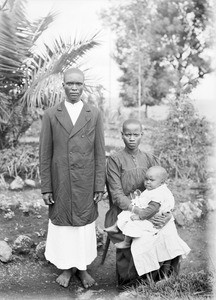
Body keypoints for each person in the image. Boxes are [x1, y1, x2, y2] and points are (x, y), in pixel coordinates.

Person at [39, 67, 106, 289]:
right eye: (70, 84)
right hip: (61, 180)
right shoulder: (51, 114)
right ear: (63, 86)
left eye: (79, 84)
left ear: (83, 85)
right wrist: (46, 186)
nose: (74, 88)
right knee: (63, 224)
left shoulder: (93, 113)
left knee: (84, 225)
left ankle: (83, 268)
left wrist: (98, 184)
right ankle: (66, 268)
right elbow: (44, 153)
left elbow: (99, 152)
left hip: (85, 179)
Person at [105, 118, 190, 286]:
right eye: (127, 134)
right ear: (121, 135)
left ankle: (164, 277)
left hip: (153, 209)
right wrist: (139, 212)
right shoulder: (115, 160)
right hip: (125, 210)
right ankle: (136, 282)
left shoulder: (150, 159)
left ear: (142, 135)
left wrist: (166, 215)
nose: (131, 138)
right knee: (138, 234)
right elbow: (117, 194)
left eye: (136, 134)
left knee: (168, 231)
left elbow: (163, 191)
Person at [105, 166, 175, 248]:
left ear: (162, 182)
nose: (147, 182)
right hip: (146, 211)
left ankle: (126, 242)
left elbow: (153, 209)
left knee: (133, 223)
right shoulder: (154, 188)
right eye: (146, 179)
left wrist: (140, 216)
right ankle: (115, 227)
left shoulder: (159, 193)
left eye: (151, 180)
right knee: (125, 213)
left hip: (153, 215)